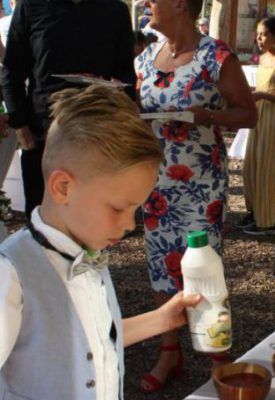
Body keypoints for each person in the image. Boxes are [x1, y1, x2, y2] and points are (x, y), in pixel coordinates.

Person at [0, 85, 202, 399]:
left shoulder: (87, 249)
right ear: (63, 187)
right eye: (119, 208)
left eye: (136, 210)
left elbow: (92, 340)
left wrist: (162, 318)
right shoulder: (11, 273)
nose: (129, 224)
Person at [136, 0, 256, 392]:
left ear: (181, 5)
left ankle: (218, 354)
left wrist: (209, 116)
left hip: (201, 181)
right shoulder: (148, 56)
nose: (147, 3)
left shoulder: (215, 55)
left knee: (203, 266)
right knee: (160, 263)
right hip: (155, 182)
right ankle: (170, 350)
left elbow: (248, 114)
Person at [0, 0, 136, 220]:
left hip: (97, 135)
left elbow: (126, 75)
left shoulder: (115, 10)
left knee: (92, 221)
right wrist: (21, 128)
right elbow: (12, 71)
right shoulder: (32, 6)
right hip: (43, 137)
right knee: (43, 220)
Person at [238, 17, 275, 235]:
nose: (259, 38)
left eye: (263, 34)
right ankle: (254, 212)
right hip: (257, 116)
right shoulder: (262, 59)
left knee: (267, 169)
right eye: (258, 34)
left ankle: (267, 220)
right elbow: (261, 86)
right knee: (251, 166)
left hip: (273, 118)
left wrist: (262, 94)